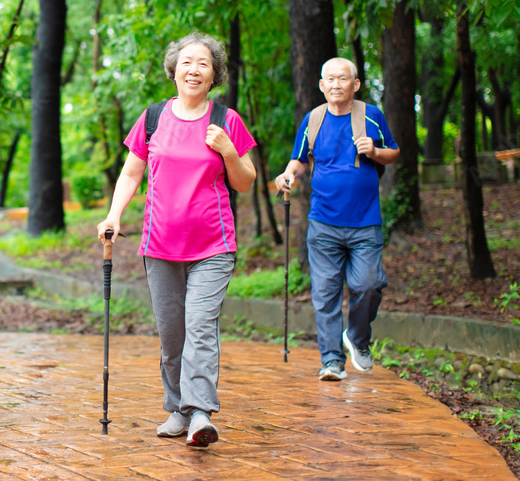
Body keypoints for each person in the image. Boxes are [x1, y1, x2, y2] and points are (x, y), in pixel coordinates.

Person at [97, 32, 257, 447]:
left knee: (200, 328)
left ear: (214, 74)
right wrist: (114, 215)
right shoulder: (153, 118)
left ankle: (201, 413)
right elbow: (132, 172)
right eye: (187, 61)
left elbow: (246, 182)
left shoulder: (226, 120)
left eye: (203, 63)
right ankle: (178, 410)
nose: (194, 69)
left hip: (213, 246)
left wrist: (228, 152)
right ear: (174, 70)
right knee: (172, 335)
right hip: (160, 244)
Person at [274, 57, 399, 381]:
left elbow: (394, 152)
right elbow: (299, 161)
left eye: (343, 79)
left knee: (368, 285)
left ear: (355, 84)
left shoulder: (371, 116)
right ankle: (331, 361)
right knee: (326, 295)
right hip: (324, 223)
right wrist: (288, 176)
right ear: (321, 84)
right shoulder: (314, 119)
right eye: (329, 79)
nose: (336, 85)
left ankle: (357, 339)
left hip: (365, 222)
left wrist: (374, 151)